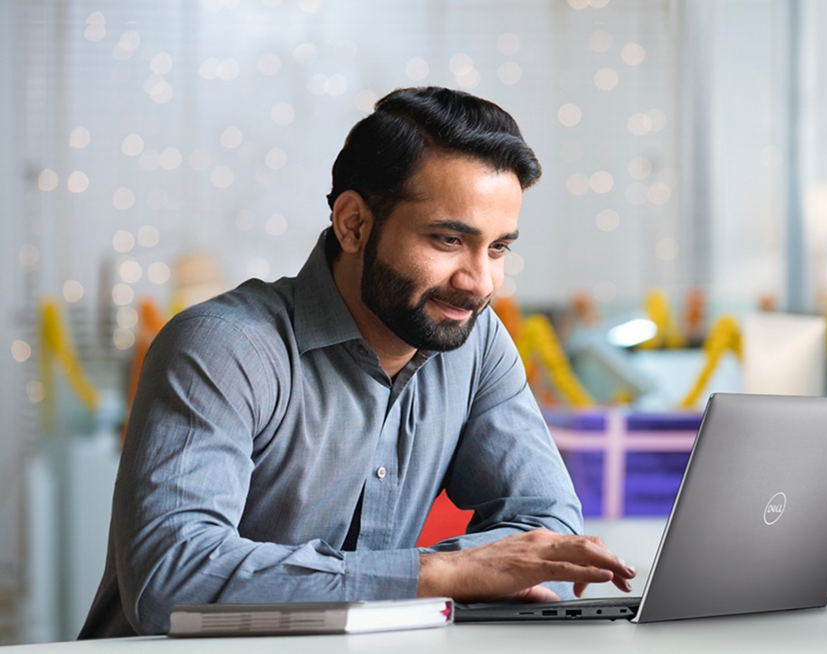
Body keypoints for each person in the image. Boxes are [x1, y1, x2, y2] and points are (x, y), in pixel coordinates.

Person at [79, 86, 635, 638]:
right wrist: (440, 573)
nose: (479, 283)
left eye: (497, 249)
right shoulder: (223, 347)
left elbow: (549, 532)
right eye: (447, 240)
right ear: (353, 224)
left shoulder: (477, 342)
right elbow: (172, 581)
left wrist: (460, 574)